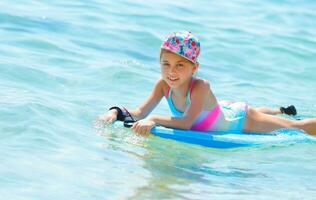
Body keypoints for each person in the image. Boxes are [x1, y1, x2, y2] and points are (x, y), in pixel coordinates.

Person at [98, 31, 316, 136]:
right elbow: (138, 112)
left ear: (195, 68)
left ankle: (283, 112)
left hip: (241, 120)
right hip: (218, 111)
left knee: (297, 127)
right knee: (255, 111)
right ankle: (279, 109)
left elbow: (187, 123)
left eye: (180, 66)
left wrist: (154, 119)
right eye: (166, 64)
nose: (171, 72)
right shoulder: (162, 85)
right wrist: (115, 112)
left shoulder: (201, 86)